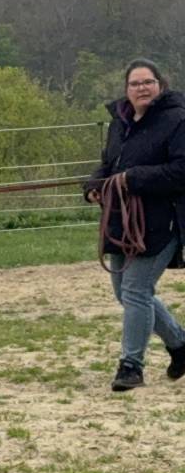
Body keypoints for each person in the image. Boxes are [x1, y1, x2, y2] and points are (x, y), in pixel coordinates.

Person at [84, 59, 185, 391]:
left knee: (136, 290)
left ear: (160, 84)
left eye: (148, 82)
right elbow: (107, 164)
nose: (142, 88)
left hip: (160, 222)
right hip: (120, 222)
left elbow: (180, 171)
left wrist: (135, 178)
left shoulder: (176, 120)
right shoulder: (120, 124)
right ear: (126, 89)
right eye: (135, 83)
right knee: (125, 293)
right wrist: (94, 185)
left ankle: (131, 366)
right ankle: (180, 346)